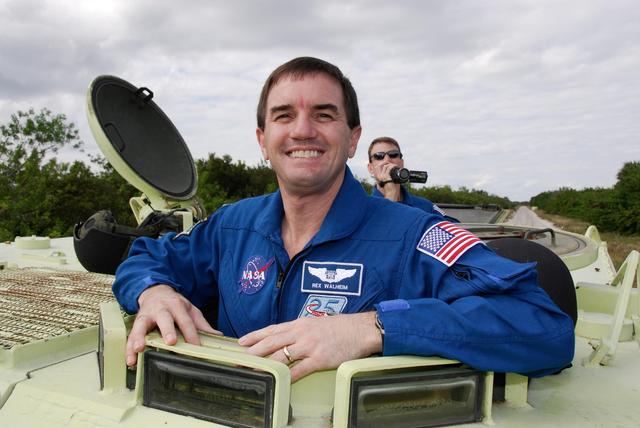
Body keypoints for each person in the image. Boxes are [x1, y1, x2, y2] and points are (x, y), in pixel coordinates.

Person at [113, 57, 574, 382]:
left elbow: (541, 325)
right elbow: (145, 258)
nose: (302, 130)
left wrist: (374, 328)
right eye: (284, 116)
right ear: (262, 139)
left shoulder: (416, 235)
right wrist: (154, 291)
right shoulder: (232, 227)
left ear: (353, 139)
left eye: (324, 114)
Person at [367, 136, 457, 221]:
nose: (387, 160)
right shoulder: (365, 207)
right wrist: (391, 193)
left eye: (393, 154)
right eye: (379, 156)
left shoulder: (424, 206)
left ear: (402, 163)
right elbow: (381, 227)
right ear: (370, 168)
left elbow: (455, 227)